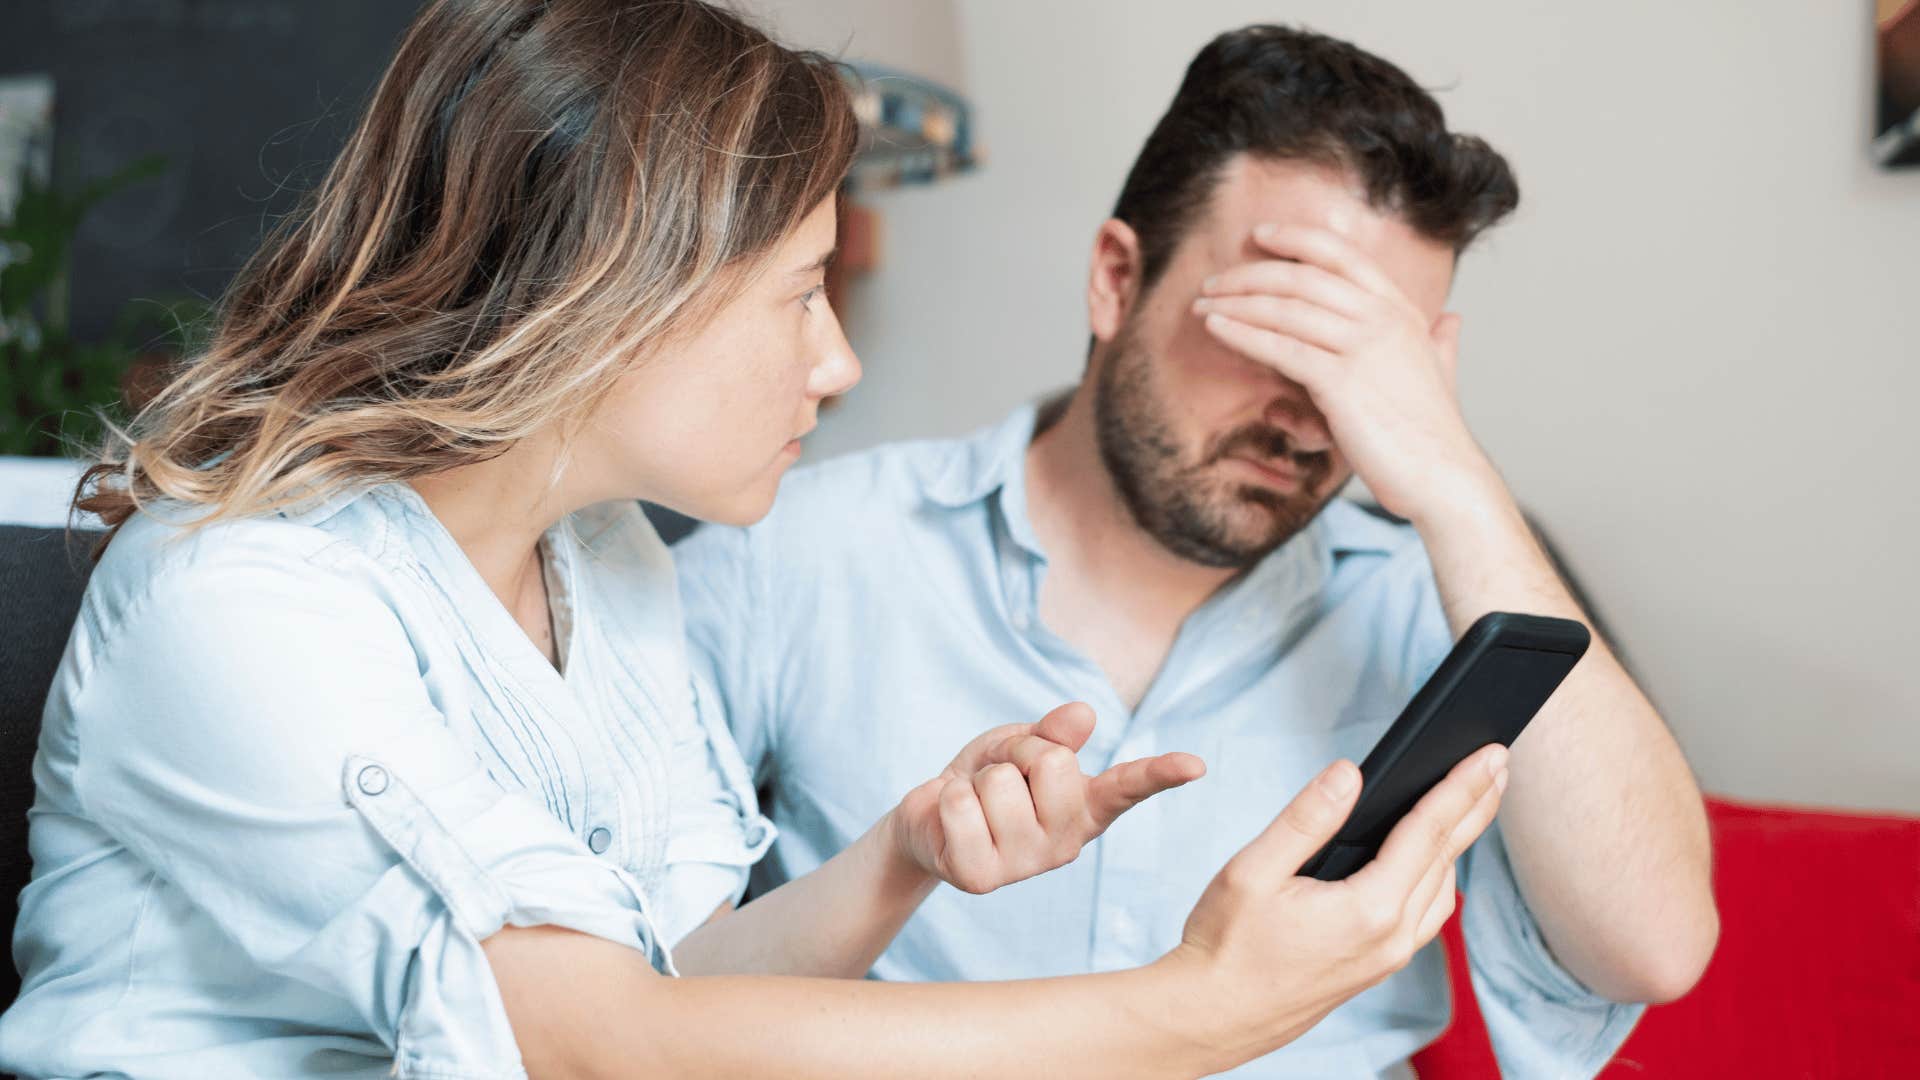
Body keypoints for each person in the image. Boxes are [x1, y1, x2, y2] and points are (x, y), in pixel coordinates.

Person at [0, 4, 1511, 1078]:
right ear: (610, 294)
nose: (838, 362)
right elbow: (598, 1050)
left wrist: (900, 861)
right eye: (799, 293)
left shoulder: (606, 565)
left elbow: (677, 992)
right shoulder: (241, 601)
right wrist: (1199, 1011)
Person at [676, 23, 1720, 1079]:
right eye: (1286, 329)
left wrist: (1456, 481)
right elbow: (639, 1013)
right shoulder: (792, 555)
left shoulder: (1432, 596)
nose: (1315, 421)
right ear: (1116, 281)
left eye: (1370, 359)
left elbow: (1654, 950)